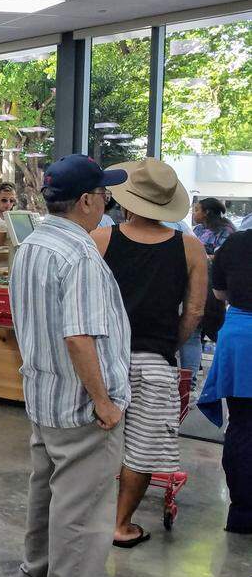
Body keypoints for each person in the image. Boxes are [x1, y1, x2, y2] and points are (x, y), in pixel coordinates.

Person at [8, 154, 130, 577]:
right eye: (103, 194)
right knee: (82, 513)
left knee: (45, 496)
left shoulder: (33, 246)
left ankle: (34, 573)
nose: (106, 202)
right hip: (82, 410)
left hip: (45, 400)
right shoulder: (79, 254)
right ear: (84, 201)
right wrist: (105, 403)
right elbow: (79, 338)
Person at [90, 160, 207, 548]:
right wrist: (168, 345)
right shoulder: (191, 247)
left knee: (93, 441)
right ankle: (120, 525)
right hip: (154, 364)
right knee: (141, 450)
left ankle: (86, 517)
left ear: (127, 202)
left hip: (104, 361)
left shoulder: (101, 240)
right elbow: (194, 311)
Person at [197, 228, 252, 534]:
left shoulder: (236, 242)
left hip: (241, 338)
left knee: (243, 425)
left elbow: (218, 294)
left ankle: (242, 513)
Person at [184, 197, 236, 380]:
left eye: (197, 209)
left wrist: (200, 257)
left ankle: (224, 372)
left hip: (213, 285)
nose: (194, 212)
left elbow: (223, 256)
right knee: (193, 333)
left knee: (211, 328)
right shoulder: (198, 229)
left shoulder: (225, 230)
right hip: (193, 281)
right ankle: (189, 381)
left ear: (206, 212)